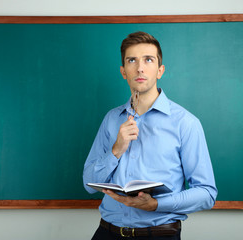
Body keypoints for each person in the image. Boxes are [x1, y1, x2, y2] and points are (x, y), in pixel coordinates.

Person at [83, 31, 217, 240]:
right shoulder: (111, 119)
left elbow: (207, 193)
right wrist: (116, 150)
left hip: (159, 234)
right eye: (131, 60)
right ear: (123, 71)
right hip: (106, 232)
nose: (140, 67)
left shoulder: (186, 123)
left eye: (148, 59)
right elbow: (88, 183)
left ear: (160, 70)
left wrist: (155, 204)